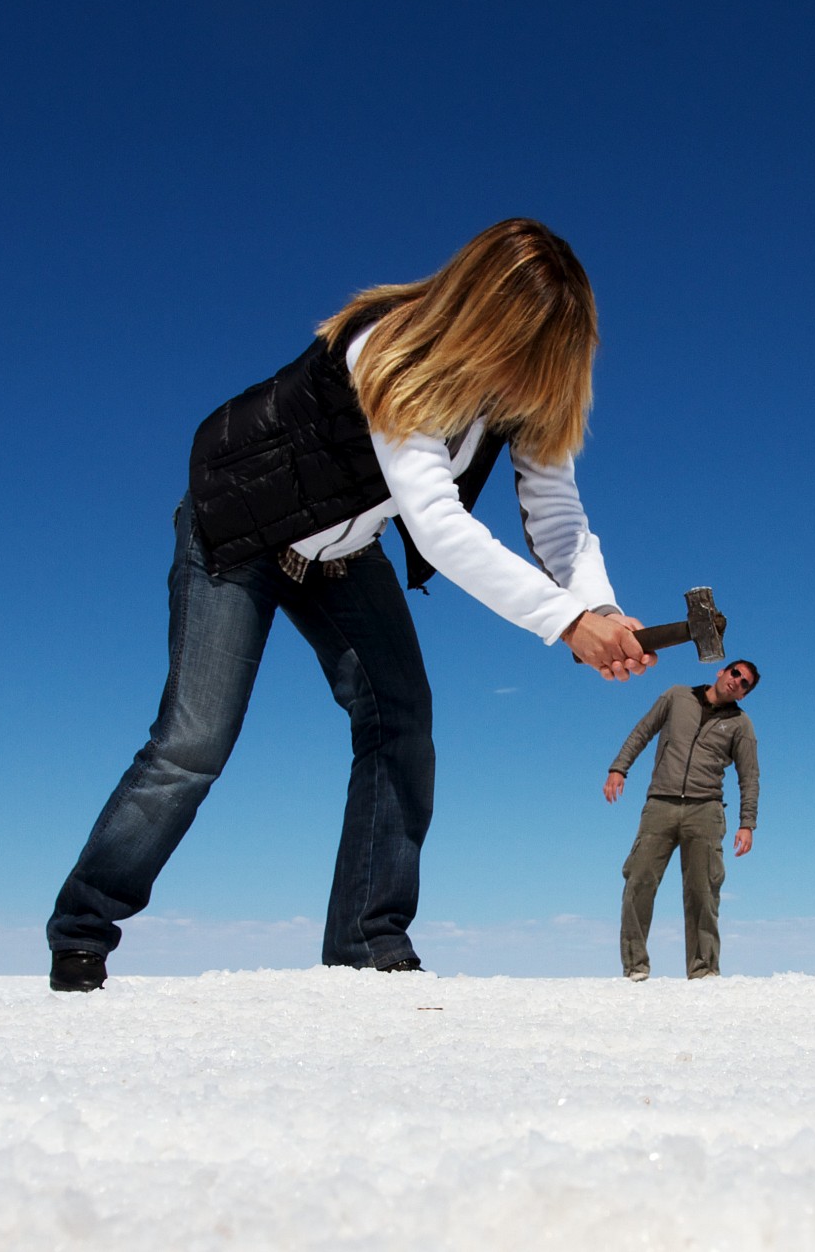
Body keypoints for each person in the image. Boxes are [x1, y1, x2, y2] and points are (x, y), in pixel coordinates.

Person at [46, 219, 656, 991]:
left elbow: (559, 517)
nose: (529, 372)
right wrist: (566, 623)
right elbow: (436, 525)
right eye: (522, 346)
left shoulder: (522, 390)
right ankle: (81, 929)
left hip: (337, 556)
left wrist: (600, 606)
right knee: (192, 744)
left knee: (401, 719)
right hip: (237, 528)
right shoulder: (386, 346)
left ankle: (367, 942)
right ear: (483, 317)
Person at [604, 659, 761, 980]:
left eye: (745, 684)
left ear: (744, 695)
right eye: (735, 673)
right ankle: (635, 967)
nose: (737, 682)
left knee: (703, 891)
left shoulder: (741, 725)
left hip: (706, 811)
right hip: (661, 804)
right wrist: (619, 767)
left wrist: (748, 823)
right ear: (721, 672)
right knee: (638, 880)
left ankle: (703, 970)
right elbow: (643, 731)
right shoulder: (677, 696)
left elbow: (750, 777)